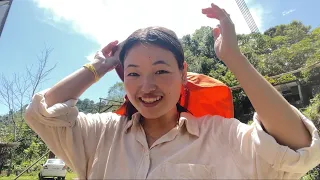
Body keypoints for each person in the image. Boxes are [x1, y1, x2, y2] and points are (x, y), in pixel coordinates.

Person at [25, 3, 320, 179]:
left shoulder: (222, 136)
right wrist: (99, 67)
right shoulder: (101, 133)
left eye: (161, 71)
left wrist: (233, 57)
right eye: (134, 73)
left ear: (183, 74)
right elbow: (42, 114)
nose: (147, 86)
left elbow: (299, 150)